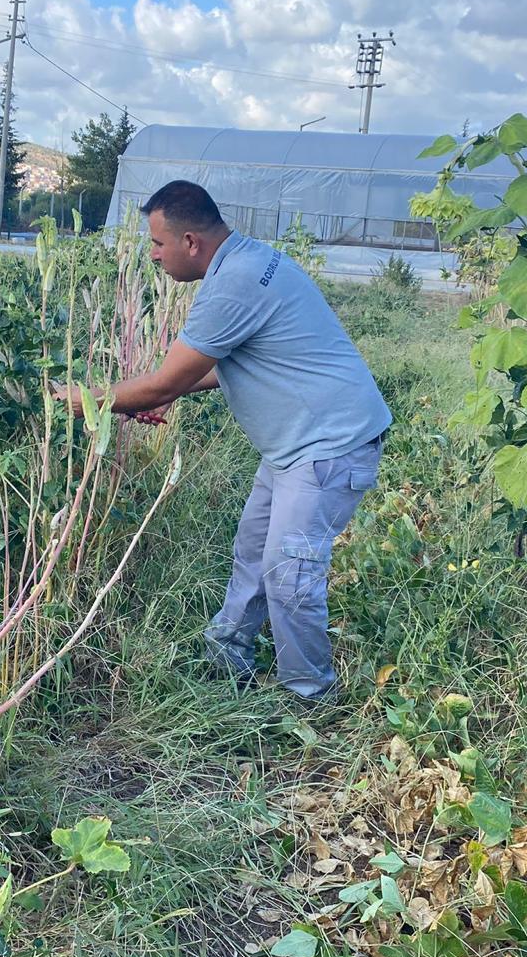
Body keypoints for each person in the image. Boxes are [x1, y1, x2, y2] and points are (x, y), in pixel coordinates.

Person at [73, 180, 392, 702]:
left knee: (290, 574)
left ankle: (310, 698)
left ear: (191, 242)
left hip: (328, 447)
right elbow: (230, 362)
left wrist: (83, 398)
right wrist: (165, 396)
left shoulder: (231, 285)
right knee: (254, 551)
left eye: (157, 244)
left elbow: (164, 380)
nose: (152, 255)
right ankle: (228, 656)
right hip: (298, 445)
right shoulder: (247, 261)